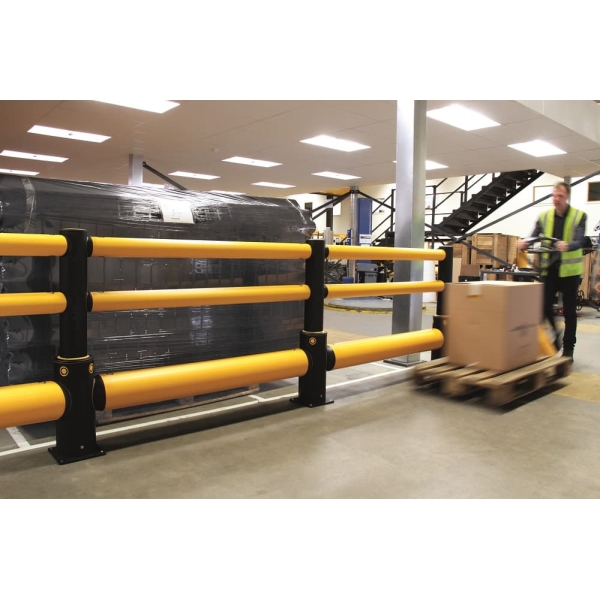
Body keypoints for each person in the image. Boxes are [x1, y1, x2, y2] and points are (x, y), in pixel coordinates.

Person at [517, 181, 587, 361]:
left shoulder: (579, 216)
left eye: (560, 196)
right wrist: (524, 242)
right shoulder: (544, 216)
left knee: (569, 313)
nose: (556, 199)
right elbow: (534, 235)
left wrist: (568, 245)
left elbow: (580, 240)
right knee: (543, 308)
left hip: (570, 273)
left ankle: (568, 349)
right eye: (554, 195)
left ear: (567, 196)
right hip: (549, 271)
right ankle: (556, 334)